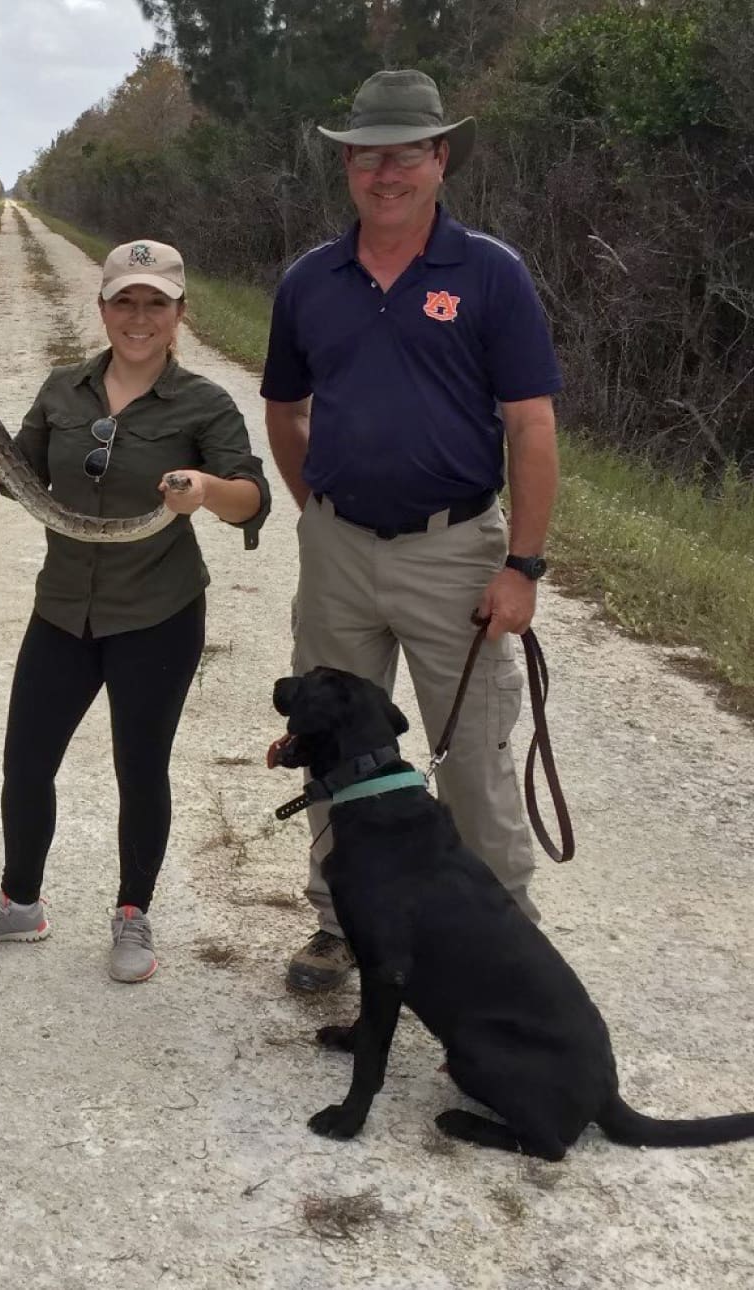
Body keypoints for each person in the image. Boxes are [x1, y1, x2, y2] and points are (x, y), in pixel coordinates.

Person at [260, 70, 563, 992]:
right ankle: (338, 922)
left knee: (471, 754)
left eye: (406, 152)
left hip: (456, 552)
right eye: (367, 155)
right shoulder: (310, 280)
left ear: (439, 159)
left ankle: (503, 938)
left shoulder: (491, 275)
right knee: (333, 743)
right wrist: (319, 510)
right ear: (346, 164)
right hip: (340, 549)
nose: (384, 172)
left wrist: (523, 566)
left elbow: (532, 426)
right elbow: (285, 409)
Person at [0, 239, 270, 983]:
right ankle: (20, 901)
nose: (139, 318)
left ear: (180, 313)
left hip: (159, 611)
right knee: (26, 761)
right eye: (125, 301)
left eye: (156, 303)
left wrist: (203, 490)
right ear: (104, 307)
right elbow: (13, 476)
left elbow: (252, 498)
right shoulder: (63, 390)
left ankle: (132, 914)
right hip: (64, 607)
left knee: (139, 767)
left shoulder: (204, 403)